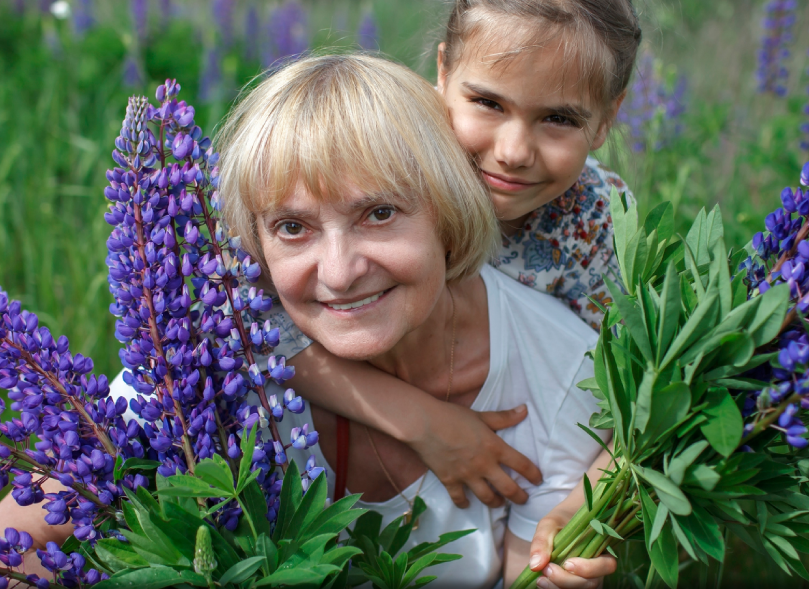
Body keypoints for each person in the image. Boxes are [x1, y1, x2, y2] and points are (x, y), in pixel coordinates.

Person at [277, 0, 641, 587]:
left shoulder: (598, 219)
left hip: (506, 484)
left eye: (558, 118)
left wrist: (584, 500)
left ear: (608, 119)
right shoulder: (382, 161)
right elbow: (240, 327)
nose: (512, 150)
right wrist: (425, 422)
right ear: (442, 73)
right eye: (489, 103)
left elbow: (620, 397)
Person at [217, 52, 606, 587]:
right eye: (291, 227)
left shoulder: (564, 376)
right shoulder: (211, 364)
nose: (339, 272)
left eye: (379, 214)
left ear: (449, 212)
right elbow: (71, 488)